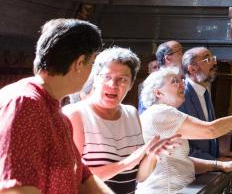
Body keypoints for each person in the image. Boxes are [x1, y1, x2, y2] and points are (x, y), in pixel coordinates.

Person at [0, 18, 111, 193]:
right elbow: (15, 189)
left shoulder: (59, 115)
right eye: (92, 63)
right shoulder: (24, 103)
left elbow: (84, 178)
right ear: (79, 63)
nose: (92, 71)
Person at [137, 68, 232, 193]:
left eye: (181, 80)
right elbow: (210, 130)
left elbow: (180, 161)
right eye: (174, 81)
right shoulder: (162, 113)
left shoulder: (160, 113)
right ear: (158, 92)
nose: (182, 84)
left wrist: (218, 165)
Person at [64, 47, 179, 194]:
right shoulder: (75, 114)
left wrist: (152, 155)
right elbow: (74, 177)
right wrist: (127, 163)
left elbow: (139, 177)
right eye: (107, 77)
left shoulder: (131, 114)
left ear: (131, 85)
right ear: (95, 79)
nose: (113, 85)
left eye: (122, 79)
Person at [179, 47, 219, 159]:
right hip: (192, 171)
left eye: (213, 58)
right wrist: (215, 162)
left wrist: (218, 154)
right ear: (192, 69)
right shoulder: (181, 95)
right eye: (207, 60)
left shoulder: (204, 91)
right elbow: (182, 144)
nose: (214, 63)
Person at [139, 41, 182, 114]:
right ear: (168, 58)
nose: (183, 56)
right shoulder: (154, 81)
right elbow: (145, 112)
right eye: (179, 53)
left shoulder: (183, 79)